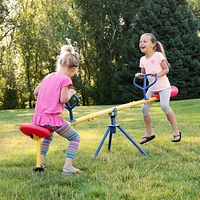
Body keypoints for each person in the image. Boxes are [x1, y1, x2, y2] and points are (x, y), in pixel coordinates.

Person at [32, 45, 82, 175]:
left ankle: (40, 162)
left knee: (47, 137)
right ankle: (68, 167)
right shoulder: (66, 79)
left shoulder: (48, 77)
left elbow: (35, 92)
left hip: (39, 118)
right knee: (75, 138)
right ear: (73, 68)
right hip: (52, 119)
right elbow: (63, 99)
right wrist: (71, 92)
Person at [135, 33, 181, 144]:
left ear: (153, 44)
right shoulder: (142, 59)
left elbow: (166, 70)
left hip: (163, 87)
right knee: (144, 109)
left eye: (145, 41)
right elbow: (144, 75)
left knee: (164, 105)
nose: (142, 43)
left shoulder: (158, 55)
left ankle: (176, 132)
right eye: (141, 42)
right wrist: (139, 75)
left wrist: (157, 74)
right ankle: (149, 133)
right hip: (151, 87)